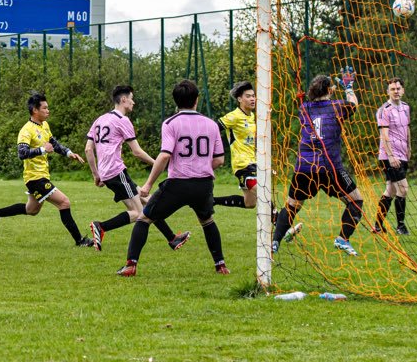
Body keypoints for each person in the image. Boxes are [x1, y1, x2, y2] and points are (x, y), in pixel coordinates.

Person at [123, 80, 228, 276]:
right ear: (197, 100)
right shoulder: (211, 124)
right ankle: (220, 265)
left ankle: (131, 265)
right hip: (203, 184)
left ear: (175, 101)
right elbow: (220, 159)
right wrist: (201, 166)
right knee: (207, 221)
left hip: (178, 183)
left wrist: (148, 184)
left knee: (144, 218)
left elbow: (164, 156)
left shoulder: (170, 123)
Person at [270, 72, 366, 257]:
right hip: (329, 168)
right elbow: (353, 105)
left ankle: (275, 242)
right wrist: (348, 88)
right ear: (329, 90)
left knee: (292, 206)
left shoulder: (304, 108)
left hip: (304, 167)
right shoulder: (337, 106)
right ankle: (342, 239)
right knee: (356, 200)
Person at [84, 85, 190, 252]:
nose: (133, 102)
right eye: (131, 99)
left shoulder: (100, 119)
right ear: (124, 99)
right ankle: (101, 226)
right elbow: (137, 152)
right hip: (116, 172)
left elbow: (88, 149)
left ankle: (172, 239)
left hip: (108, 173)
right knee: (139, 213)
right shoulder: (122, 120)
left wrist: (96, 174)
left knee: (149, 202)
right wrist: (157, 163)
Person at [0, 92, 91, 247]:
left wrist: (69, 153)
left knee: (32, 210)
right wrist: (42, 150)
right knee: (64, 202)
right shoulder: (26, 130)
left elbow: (53, 144)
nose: (48, 110)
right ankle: (80, 241)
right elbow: (22, 154)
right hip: (34, 178)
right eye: (45, 108)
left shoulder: (44, 125)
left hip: (42, 176)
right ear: (35, 110)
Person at [373, 78, 411, 235]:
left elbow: (407, 128)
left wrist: (409, 147)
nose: (396, 91)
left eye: (398, 88)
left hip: (402, 154)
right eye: (393, 89)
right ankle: (401, 226)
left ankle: (377, 225)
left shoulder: (406, 107)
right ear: (388, 91)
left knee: (391, 191)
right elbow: (384, 135)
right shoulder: (384, 110)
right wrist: (391, 156)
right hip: (389, 156)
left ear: (403, 90)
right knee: (403, 188)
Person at [214, 82, 260, 210]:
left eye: (253, 96)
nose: (252, 99)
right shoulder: (233, 116)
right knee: (263, 193)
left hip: (253, 162)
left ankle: (211, 201)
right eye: (248, 96)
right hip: (242, 165)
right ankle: (280, 222)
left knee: (250, 203)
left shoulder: (252, 116)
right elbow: (213, 128)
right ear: (240, 99)